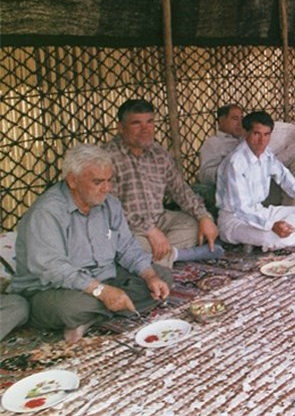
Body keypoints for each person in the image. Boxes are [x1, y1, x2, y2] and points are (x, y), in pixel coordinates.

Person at [7, 144, 172, 342]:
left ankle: (91, 319)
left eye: (109, 180)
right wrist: (101, 291)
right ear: (72, 180)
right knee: (71, 309)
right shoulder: (48, 212)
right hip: (53, 289)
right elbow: (52, 268)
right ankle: (97, 311)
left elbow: (127, 247)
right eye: (98, 181)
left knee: (162, 277)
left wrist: (150, 276)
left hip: (103, 279)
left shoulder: (110, 204)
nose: (107, 188)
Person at [105, 99, 220, 267]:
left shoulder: (159, 153)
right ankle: (172, 256)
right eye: (136, 123)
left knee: (195, 226)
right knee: (126, 245)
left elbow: (180, 190)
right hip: (128, 228)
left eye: (150, 122)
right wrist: (149, 230)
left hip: (159, 219)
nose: (145, 129)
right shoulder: (107, 158)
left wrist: (203, 216)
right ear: (121, 127)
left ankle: (161, 255)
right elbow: (108, 207)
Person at [216, 111, 295, 251]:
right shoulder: (235, 163)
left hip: (261, 211)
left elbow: (284, 176)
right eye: (256, 134)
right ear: (245, 133)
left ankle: (281, 232)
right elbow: (241, 209)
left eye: (266, 135)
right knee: (272, 238)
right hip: (235, 220)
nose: (262, 140)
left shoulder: (266, 154)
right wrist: (271, 225)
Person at [198, 104, 245, 188]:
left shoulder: (245, 139)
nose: (240, 123)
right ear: (222, 120)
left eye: (241, 118)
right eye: (235, 118)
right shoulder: (213, 143)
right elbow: (205, 176)